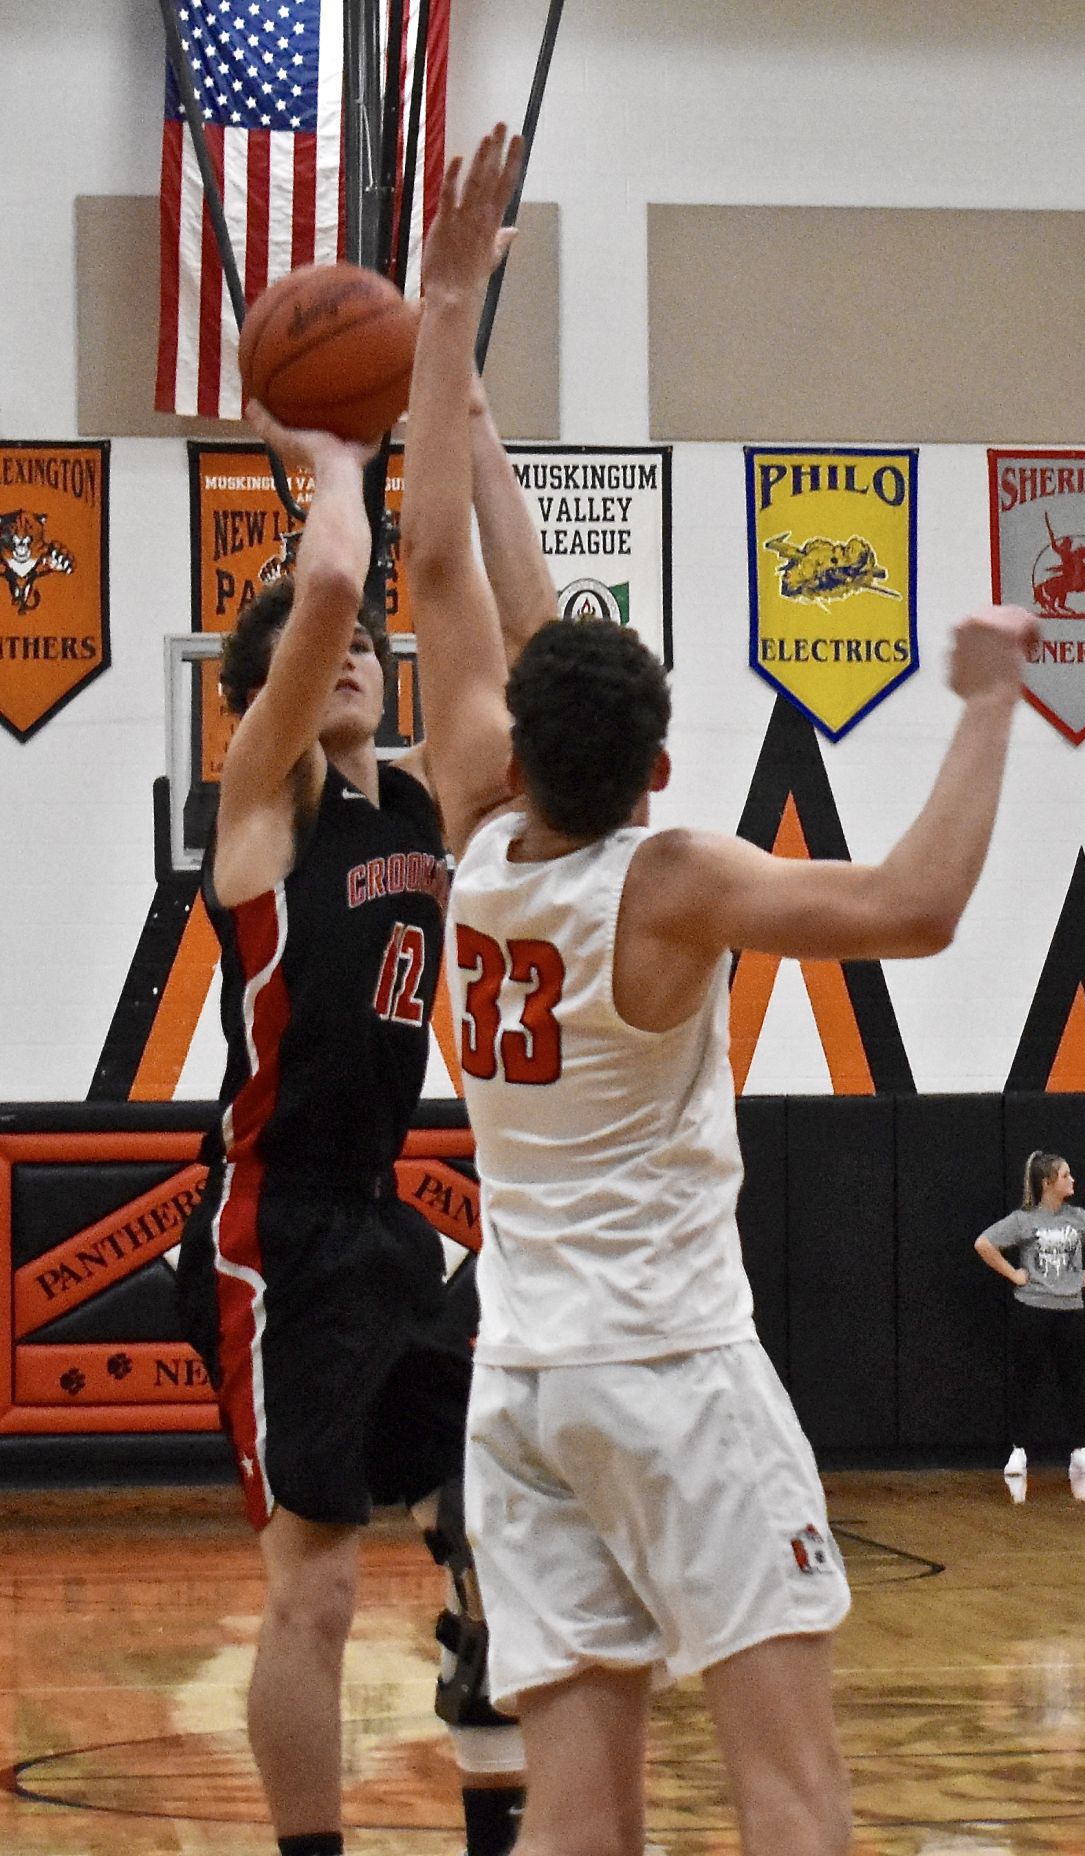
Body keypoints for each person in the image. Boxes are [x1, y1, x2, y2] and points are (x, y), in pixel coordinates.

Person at [398, 125, 1042, 1856]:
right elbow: (915, 909)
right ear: (662, 768)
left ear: (513, 745)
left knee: (577, 1804)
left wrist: (448, 334)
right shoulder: (670, 883)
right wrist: (991, 700)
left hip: (522, 1388)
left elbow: (447, 572)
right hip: (671, 1369)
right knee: (790, 1786)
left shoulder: (473, 837)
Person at [176, 394, 538, 1856]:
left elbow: (504, 647)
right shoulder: (264, 807)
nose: (353, 659)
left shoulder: (430, 808)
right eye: (320, 658)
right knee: (316, 1587)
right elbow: (332, 583)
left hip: (384, 1220)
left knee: (501, 1497)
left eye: (371, 656)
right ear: (261, 695)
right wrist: (337, 463)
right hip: (274, 1230)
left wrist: (467, 421)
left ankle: (500, 1796)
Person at [974, 1150, 1085, 1486]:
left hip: (1070, 1309)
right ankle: (1018, 1450)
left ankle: (1081, 1450)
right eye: (1065, 1175)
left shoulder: (1078, 1218)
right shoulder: (1024, 1220)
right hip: (1033, 1308)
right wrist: (1014, 1274)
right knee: (1025, 1381)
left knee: (1074, 1381)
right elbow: (984, 1243)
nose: (1072, 1180)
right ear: (1047, 1182)